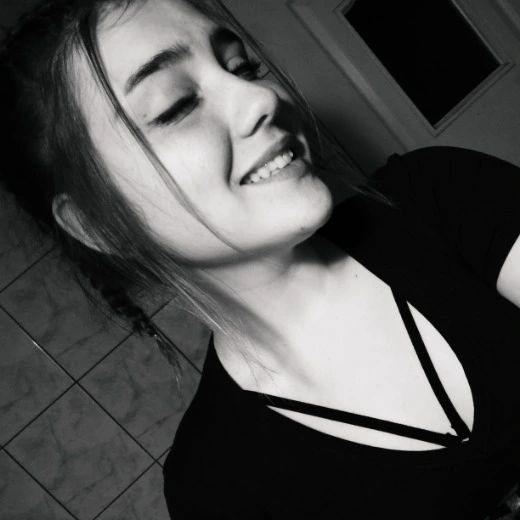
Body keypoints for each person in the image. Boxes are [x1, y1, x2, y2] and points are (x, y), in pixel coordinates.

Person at [1, 0, 520, 518]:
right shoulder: (219, 490)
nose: (260, 97)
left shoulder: (440, 195)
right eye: (175, 106)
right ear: (97, 225)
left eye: (242, 66)